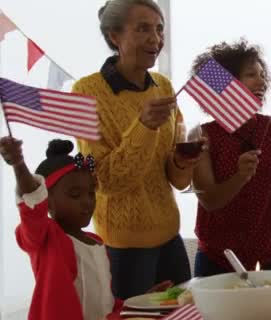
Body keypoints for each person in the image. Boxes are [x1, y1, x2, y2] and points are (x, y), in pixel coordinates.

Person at [74, 0, 202, 299]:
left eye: (159, 29)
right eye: (143, 29)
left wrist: (186, 160)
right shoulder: (86, 92)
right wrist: (143, 126)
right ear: (114, 36)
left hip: (170, 238)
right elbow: (107, 180)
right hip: (124, 249)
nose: (155, 39)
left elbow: (178, 180)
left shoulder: (164, 85)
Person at [190, 39, 271, 276]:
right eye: (251, 74)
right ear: (226, 84)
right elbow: (209, 200)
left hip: (268, 255)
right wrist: (240, 176)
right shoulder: (202, 135)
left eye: (263, 75)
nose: (262, 81)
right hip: (218, 259)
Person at [0, 138, 120, 319]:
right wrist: (18, 164)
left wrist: (142, 301)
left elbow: (105, 302)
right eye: (74, 194)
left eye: (90, 193)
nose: (87, 201)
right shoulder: (46, 238)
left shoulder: (97, 243)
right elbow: (32, 204)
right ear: (47, 202)